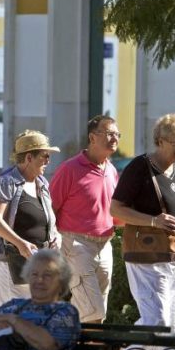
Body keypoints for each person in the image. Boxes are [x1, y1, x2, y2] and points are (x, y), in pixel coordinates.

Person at [110, 113, 175, 350]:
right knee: (158, 321)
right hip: (146, 258)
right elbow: (115, 209)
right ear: (160, 141)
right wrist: (154, 220)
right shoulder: (139, 168)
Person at [0, 131, 61, 315]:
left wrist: (55, 236)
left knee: (30, 318)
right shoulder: (7, 181)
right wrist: (19, 243)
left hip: (34, 265)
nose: (48, 161)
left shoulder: (42, 183)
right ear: (29, 157)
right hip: (8, 264)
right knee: (3, 320)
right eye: (44, 156)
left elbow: (47, 220)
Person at [49, 115, 120, 323]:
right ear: (92, 137)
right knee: (93, 310)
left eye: (117, 134)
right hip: (76, 243)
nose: (114, 138)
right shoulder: (69, 169)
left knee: (93, 309)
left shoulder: (112, 170)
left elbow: (113, 211)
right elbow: (50, 209)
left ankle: (67, 348)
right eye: (109, 133)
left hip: (105, 243)